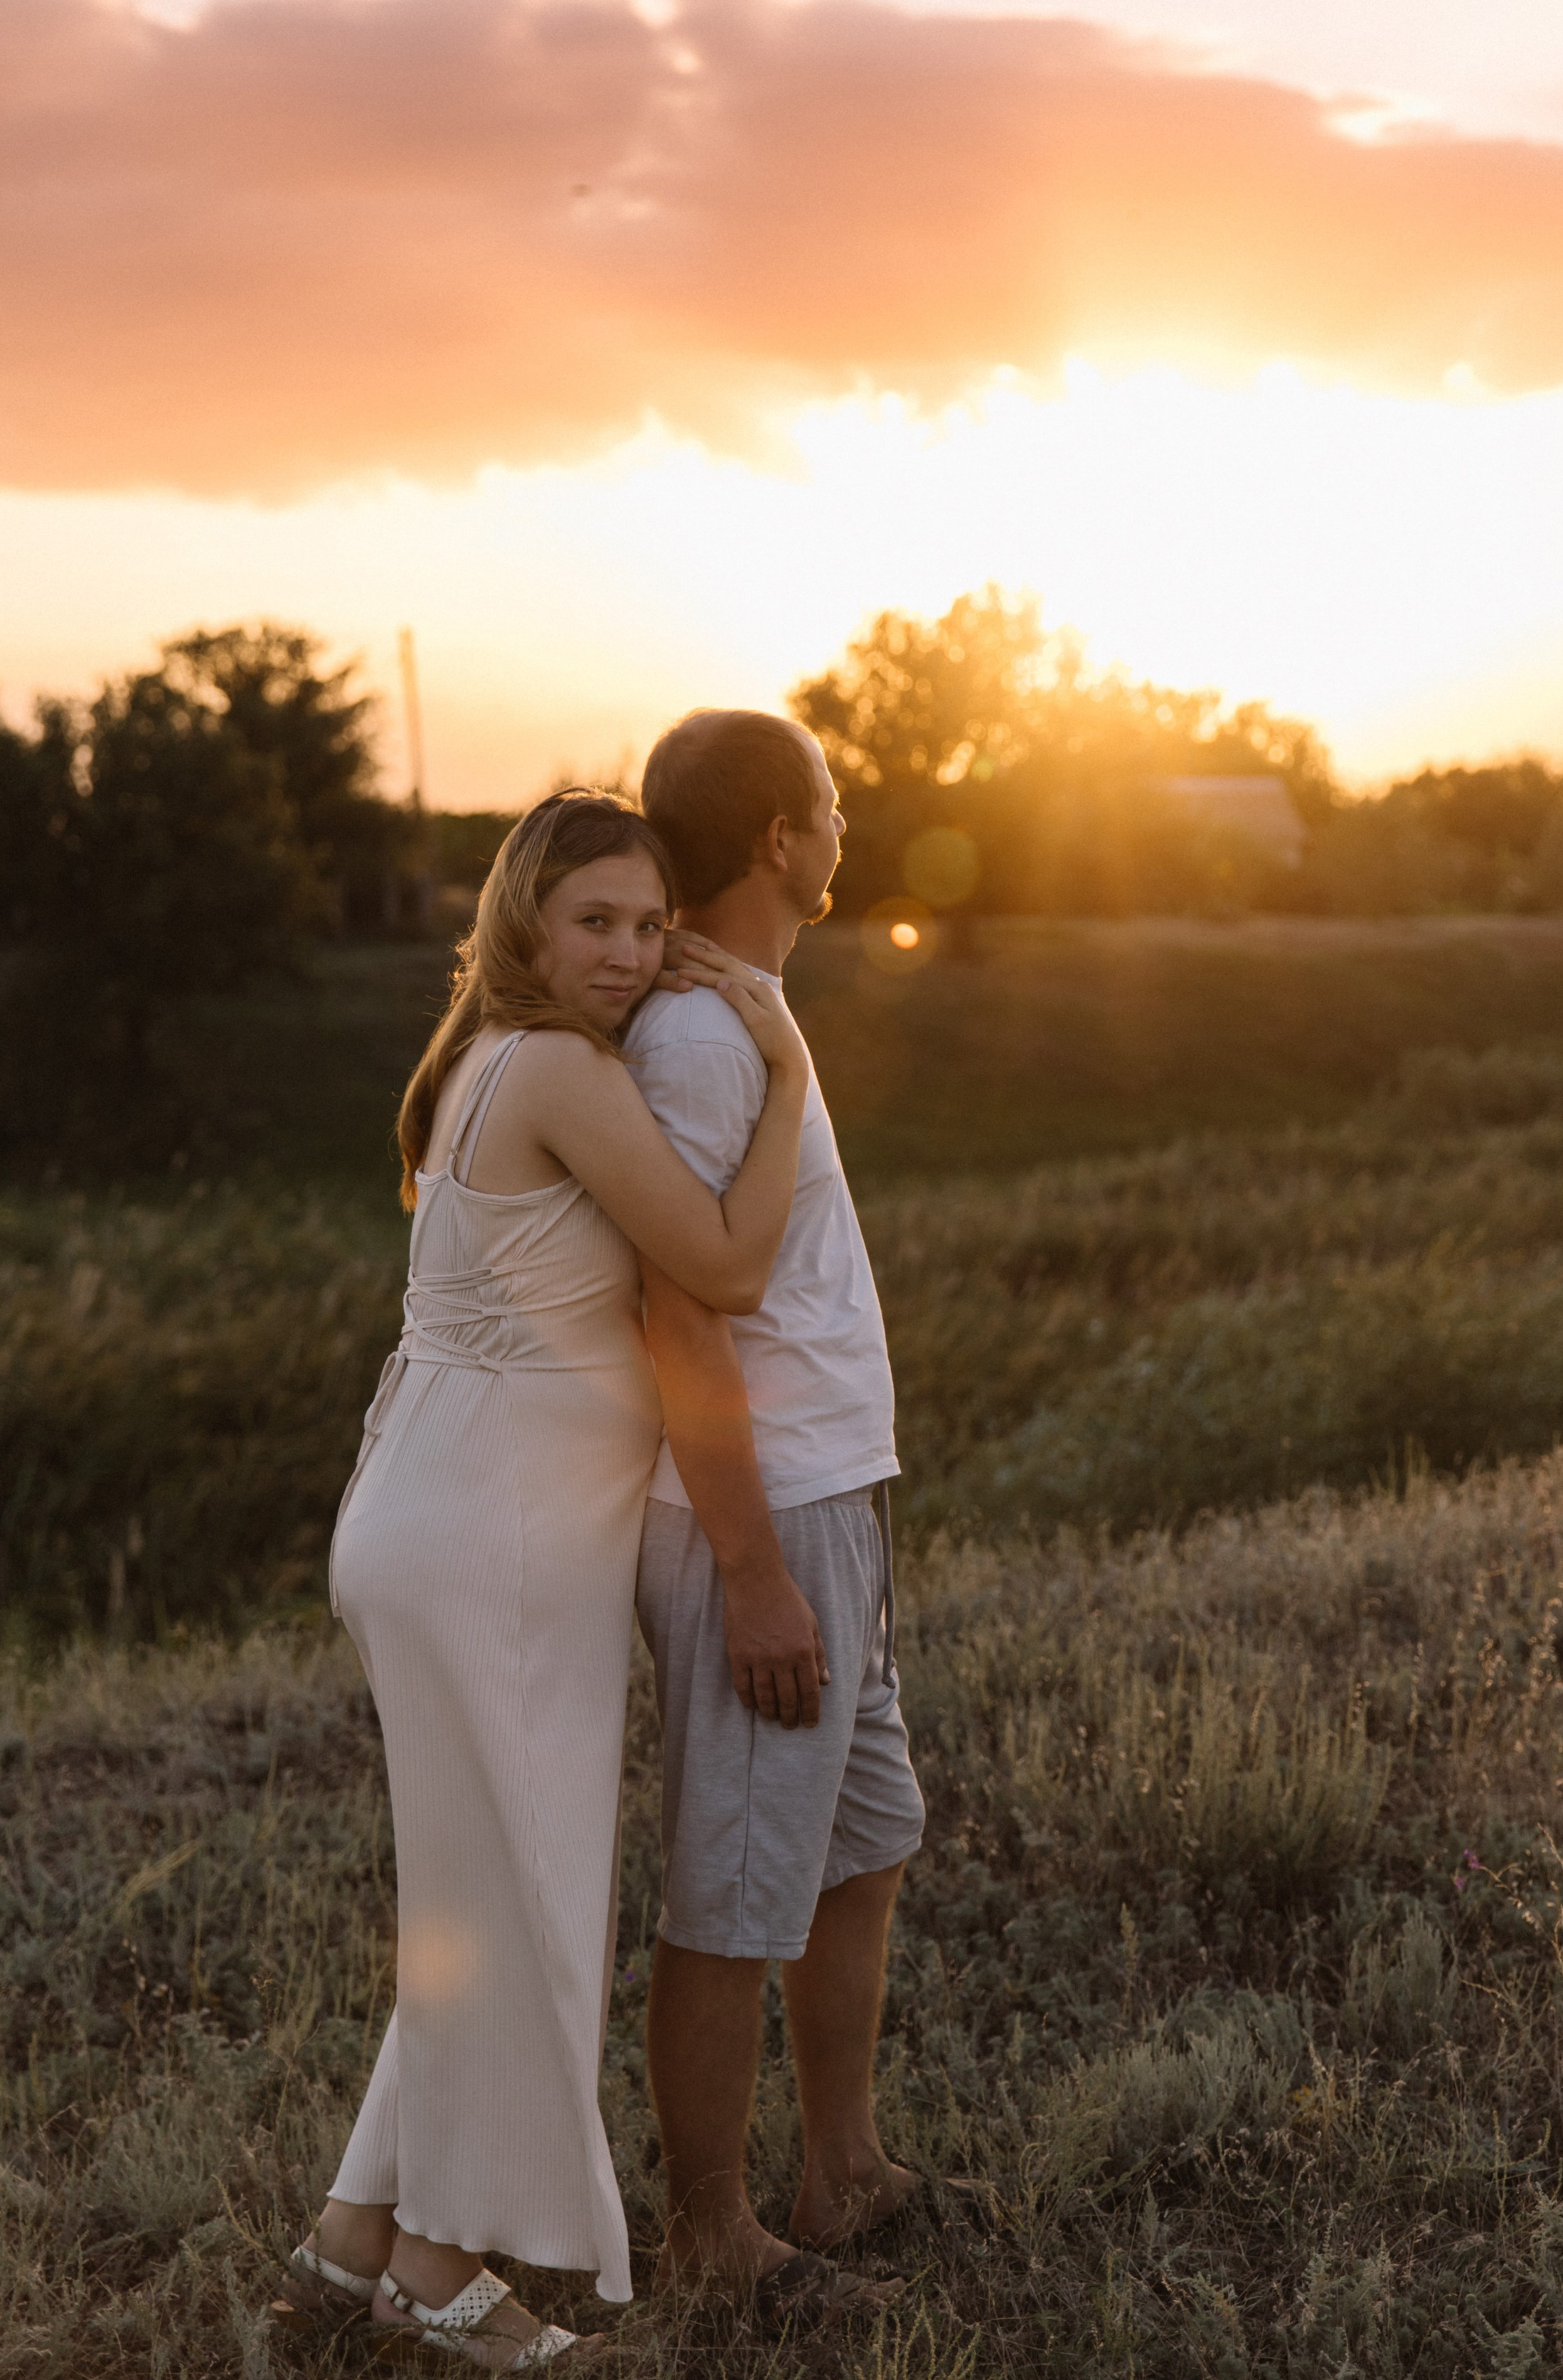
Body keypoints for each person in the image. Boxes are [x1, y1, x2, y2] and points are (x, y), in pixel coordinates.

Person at [276, 790, 810, 2371]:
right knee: (521, 1906)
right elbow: (723, 1265)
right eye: (598, 922)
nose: (632, 956)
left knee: (479, 1897)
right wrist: (788, 1068)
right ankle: (446, 2274)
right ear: (524, 919)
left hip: (443, 1517)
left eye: (651, 927)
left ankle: (353, 2241)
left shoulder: (474, 1059)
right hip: (490, 1543)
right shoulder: (563, 1071)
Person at [625, 710, 926, 2317]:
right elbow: (679, 1315)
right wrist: (748, 1571)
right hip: (763, 1519)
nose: (843, 824)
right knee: (736, 1883)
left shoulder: (747, 1012)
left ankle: (842, 2170)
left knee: (860, 1844)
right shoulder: (693, 1041)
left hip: (832, 1499)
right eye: (826, 803)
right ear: (774, 841)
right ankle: (714, 2238)